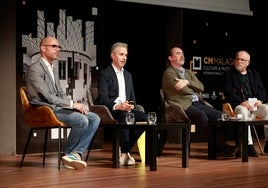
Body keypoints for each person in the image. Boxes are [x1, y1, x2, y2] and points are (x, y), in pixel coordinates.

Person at [25, 36, 100, 170]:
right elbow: (47, 96)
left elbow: (59, 93)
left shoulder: (53, 68)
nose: (57, 49)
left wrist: (73, 105)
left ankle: (76, 153)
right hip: (44, 108)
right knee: (81, 120)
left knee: (94, 118)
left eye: (58, 47)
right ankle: (68, 153)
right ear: (43, 48)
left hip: (56, 107)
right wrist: (71, 105)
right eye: (54, 46)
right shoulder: (35, 68)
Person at [162, 46, 238, 157]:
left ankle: (219, 147)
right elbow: (182, 90)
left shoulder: (187, 72)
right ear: (170, 57)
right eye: (178, 53)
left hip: (197, 103)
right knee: (202, 116)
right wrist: (191, 87)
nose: (182, 55)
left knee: (220, 115)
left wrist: (187, 82)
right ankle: (221, 148)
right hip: (182, 105)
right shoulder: (169, 73)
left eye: (182, 53)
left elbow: (201, 87)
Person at [95, 42, 148, 166]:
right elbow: (102, 99)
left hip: (126, 108)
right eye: (121, 54)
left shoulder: (128, 75)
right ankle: (124, 153)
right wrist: (117, 105)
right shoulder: (105, 74)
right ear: (113, 56)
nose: (124, 58)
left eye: (126, 55)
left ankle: (125, 149)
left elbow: (133, 98)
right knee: (125, 116)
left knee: (145, 119)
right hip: (111, 109)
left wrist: (131, 105)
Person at [223, 50, 268, 156]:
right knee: (242, 111)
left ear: (248, 62)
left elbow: (262, 90)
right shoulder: (229, 74)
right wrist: (241, 102)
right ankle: (249, 146)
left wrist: (260, 101)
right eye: (237, 59)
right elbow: (228, 92)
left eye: (242, 60)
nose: (239, 61)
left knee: (267, 109)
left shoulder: (254, 74)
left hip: (254, 107)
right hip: (238, 106)